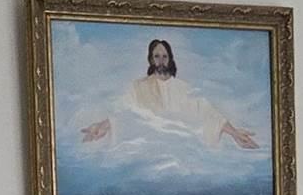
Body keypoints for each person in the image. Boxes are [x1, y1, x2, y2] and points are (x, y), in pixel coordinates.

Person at [77, 37, 260, 151]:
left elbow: (209, 113)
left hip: (179, 152)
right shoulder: (138, 87)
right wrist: (101, 126)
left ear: (170, 59)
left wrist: (235, 133)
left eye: (165, 56)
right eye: (157, 56)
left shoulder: (184, 88)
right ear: (150, 59)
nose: (161, 61)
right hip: (147, 152)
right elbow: (121, 113)